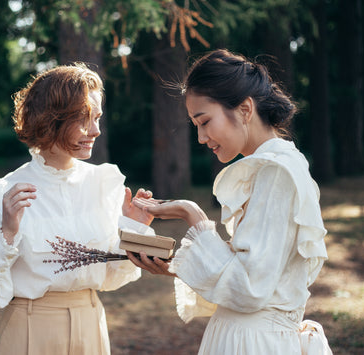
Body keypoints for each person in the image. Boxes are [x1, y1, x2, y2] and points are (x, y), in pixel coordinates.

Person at [128, 49, 332, 354]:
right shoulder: (271, 168)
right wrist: (176, 266)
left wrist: (192, 214)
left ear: (245, 109)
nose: (200, 137)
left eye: (205, 121)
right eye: (195, 125)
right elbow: (257, 275)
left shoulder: (276, 172)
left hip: (253, 343)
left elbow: (250, 289)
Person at [0, 63, 154, 355]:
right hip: (29, 331)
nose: (95, 131)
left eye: (97, 118)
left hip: (92, 326)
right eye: (84, 119)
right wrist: (6, 234)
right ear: (50, 119)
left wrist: (134, 228)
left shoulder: (102, 184)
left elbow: (112, 276)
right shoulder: (4, 194)